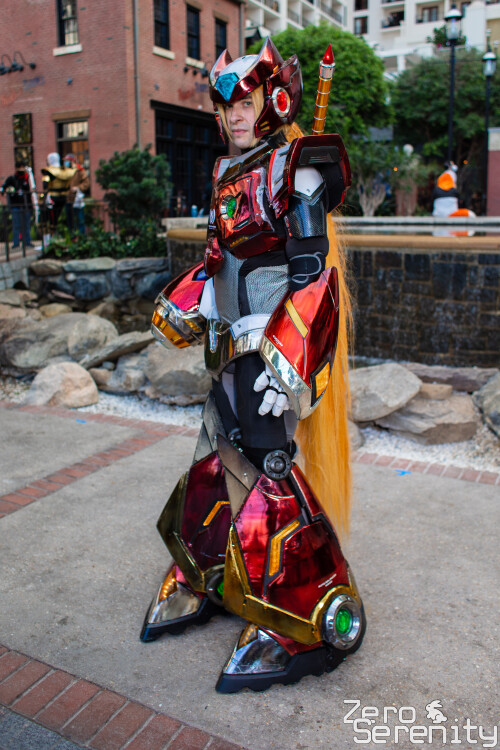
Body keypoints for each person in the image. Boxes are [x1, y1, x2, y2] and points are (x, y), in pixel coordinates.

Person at [141, 38, 365, 693]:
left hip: (272, 349)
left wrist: (289, 361)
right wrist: (190, 302)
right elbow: (222, 261)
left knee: (269, 464)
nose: (235, 114)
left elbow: (313, 276)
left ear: (274, 100)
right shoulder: (227, 172)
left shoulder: (298, 169)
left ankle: (310, 617)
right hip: (228, 347)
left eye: (246, 101)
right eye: (226, 105)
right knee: (217, 456)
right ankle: (211, 574)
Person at [41, 152, 76, 241]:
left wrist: (43, 197)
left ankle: (50, 239)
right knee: (62, 219)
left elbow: (45, 186)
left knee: (51, 220)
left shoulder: (48, 171)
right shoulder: (66, 171)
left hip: (52, 198)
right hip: (64, 198)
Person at [1, 162, 34, 248]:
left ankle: (27, 242)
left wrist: (31, 207)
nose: (22, 169)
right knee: (16, 225)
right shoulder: (11, 179)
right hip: (15, 206)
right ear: (16, 168)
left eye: (23, 167)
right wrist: (5, 192)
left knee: (26, 225)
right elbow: (3, 188)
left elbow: (29, 194)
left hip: (25, 206)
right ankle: (16, 243)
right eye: (20, 167)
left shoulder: (27, 179)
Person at [63, 153, 89, 236]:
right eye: (65, 161)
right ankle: (72, 237)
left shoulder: (79, 170)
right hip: (68, 199)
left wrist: (77, 188)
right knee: (70, 221)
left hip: (77, 200)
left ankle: (81, 237)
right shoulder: (64, 171)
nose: (65, 163)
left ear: (72, 161)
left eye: (67, 161)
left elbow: (86, 183)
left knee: (80, 220)